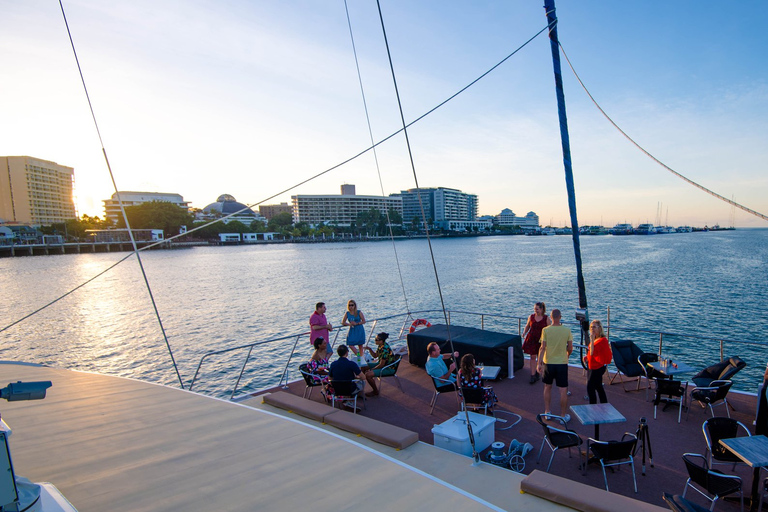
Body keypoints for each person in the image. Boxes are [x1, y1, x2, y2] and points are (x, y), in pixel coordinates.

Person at [537, 309, 573, 421]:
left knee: (547, 387)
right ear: (560, 317)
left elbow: (542, 347)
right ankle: (563, 416)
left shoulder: (546, 330)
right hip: (561, 363)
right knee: (563, 390)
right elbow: (570, 347)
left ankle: (547, 412)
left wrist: (539, 363)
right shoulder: (567, 330)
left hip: (548, 362)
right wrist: (567, 354)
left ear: (551, 317)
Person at [583, 319, 612, 404]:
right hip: (593, 365)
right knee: (598, 386)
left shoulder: (602, 340)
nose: (592, 329)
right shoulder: (596, 339)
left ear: (600, 328)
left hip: (596, 367)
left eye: (595, 327)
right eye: (591, 327)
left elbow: (592, 352)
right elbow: (593, 353)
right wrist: (587, 357)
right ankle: (604, 404)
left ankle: (593, 406)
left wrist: (591, 340)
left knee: (590, 387)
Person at [522, 302, 551, 385]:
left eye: (537, 309)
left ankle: (538, 372)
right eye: (535, 309)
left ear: (542, 309)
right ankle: (532, 375)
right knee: (532, 356)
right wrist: (524, 332)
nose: (535, 311)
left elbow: (549, 329)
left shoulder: (546, 318)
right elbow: (528, 326)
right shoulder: (531, 317)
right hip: (532, 338)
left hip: (542, 339)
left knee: (540, 357)